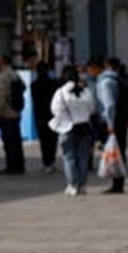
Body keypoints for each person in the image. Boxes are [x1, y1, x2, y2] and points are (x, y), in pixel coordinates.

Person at [48, 65, 98, 195]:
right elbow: (92, 108)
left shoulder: (60, 92)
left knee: (69, 157)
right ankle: (83, 185)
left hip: (68, 128)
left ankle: (72, 185)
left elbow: (55, 109)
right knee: (83, 157)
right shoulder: (86, 91)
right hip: (85, 127)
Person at [95, 58, 128, 193]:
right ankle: (118, 181)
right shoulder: (119, 79)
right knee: (119, 150)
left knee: (116, 151)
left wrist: (110, 124)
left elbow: (109, 105)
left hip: (114, 121)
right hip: (121, 119)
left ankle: (117, 182)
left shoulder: (106, 81)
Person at [0, 54, 24, 174]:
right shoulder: (15, 74)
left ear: (2, 62)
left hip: (6, 112)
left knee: (8, 141)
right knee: (16, 140)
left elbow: (2, 95)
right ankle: (20, 165)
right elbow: (23, 87)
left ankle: (11, 166)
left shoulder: (2, 76)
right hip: (16, 111)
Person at [30, 60, 59, 172]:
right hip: (53, 115)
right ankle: (51, 162)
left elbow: (36, 102)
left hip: (40, 116)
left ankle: (45, 162)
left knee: (43, 141)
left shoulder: (34, 85)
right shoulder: (54, 83)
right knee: (52, 140)